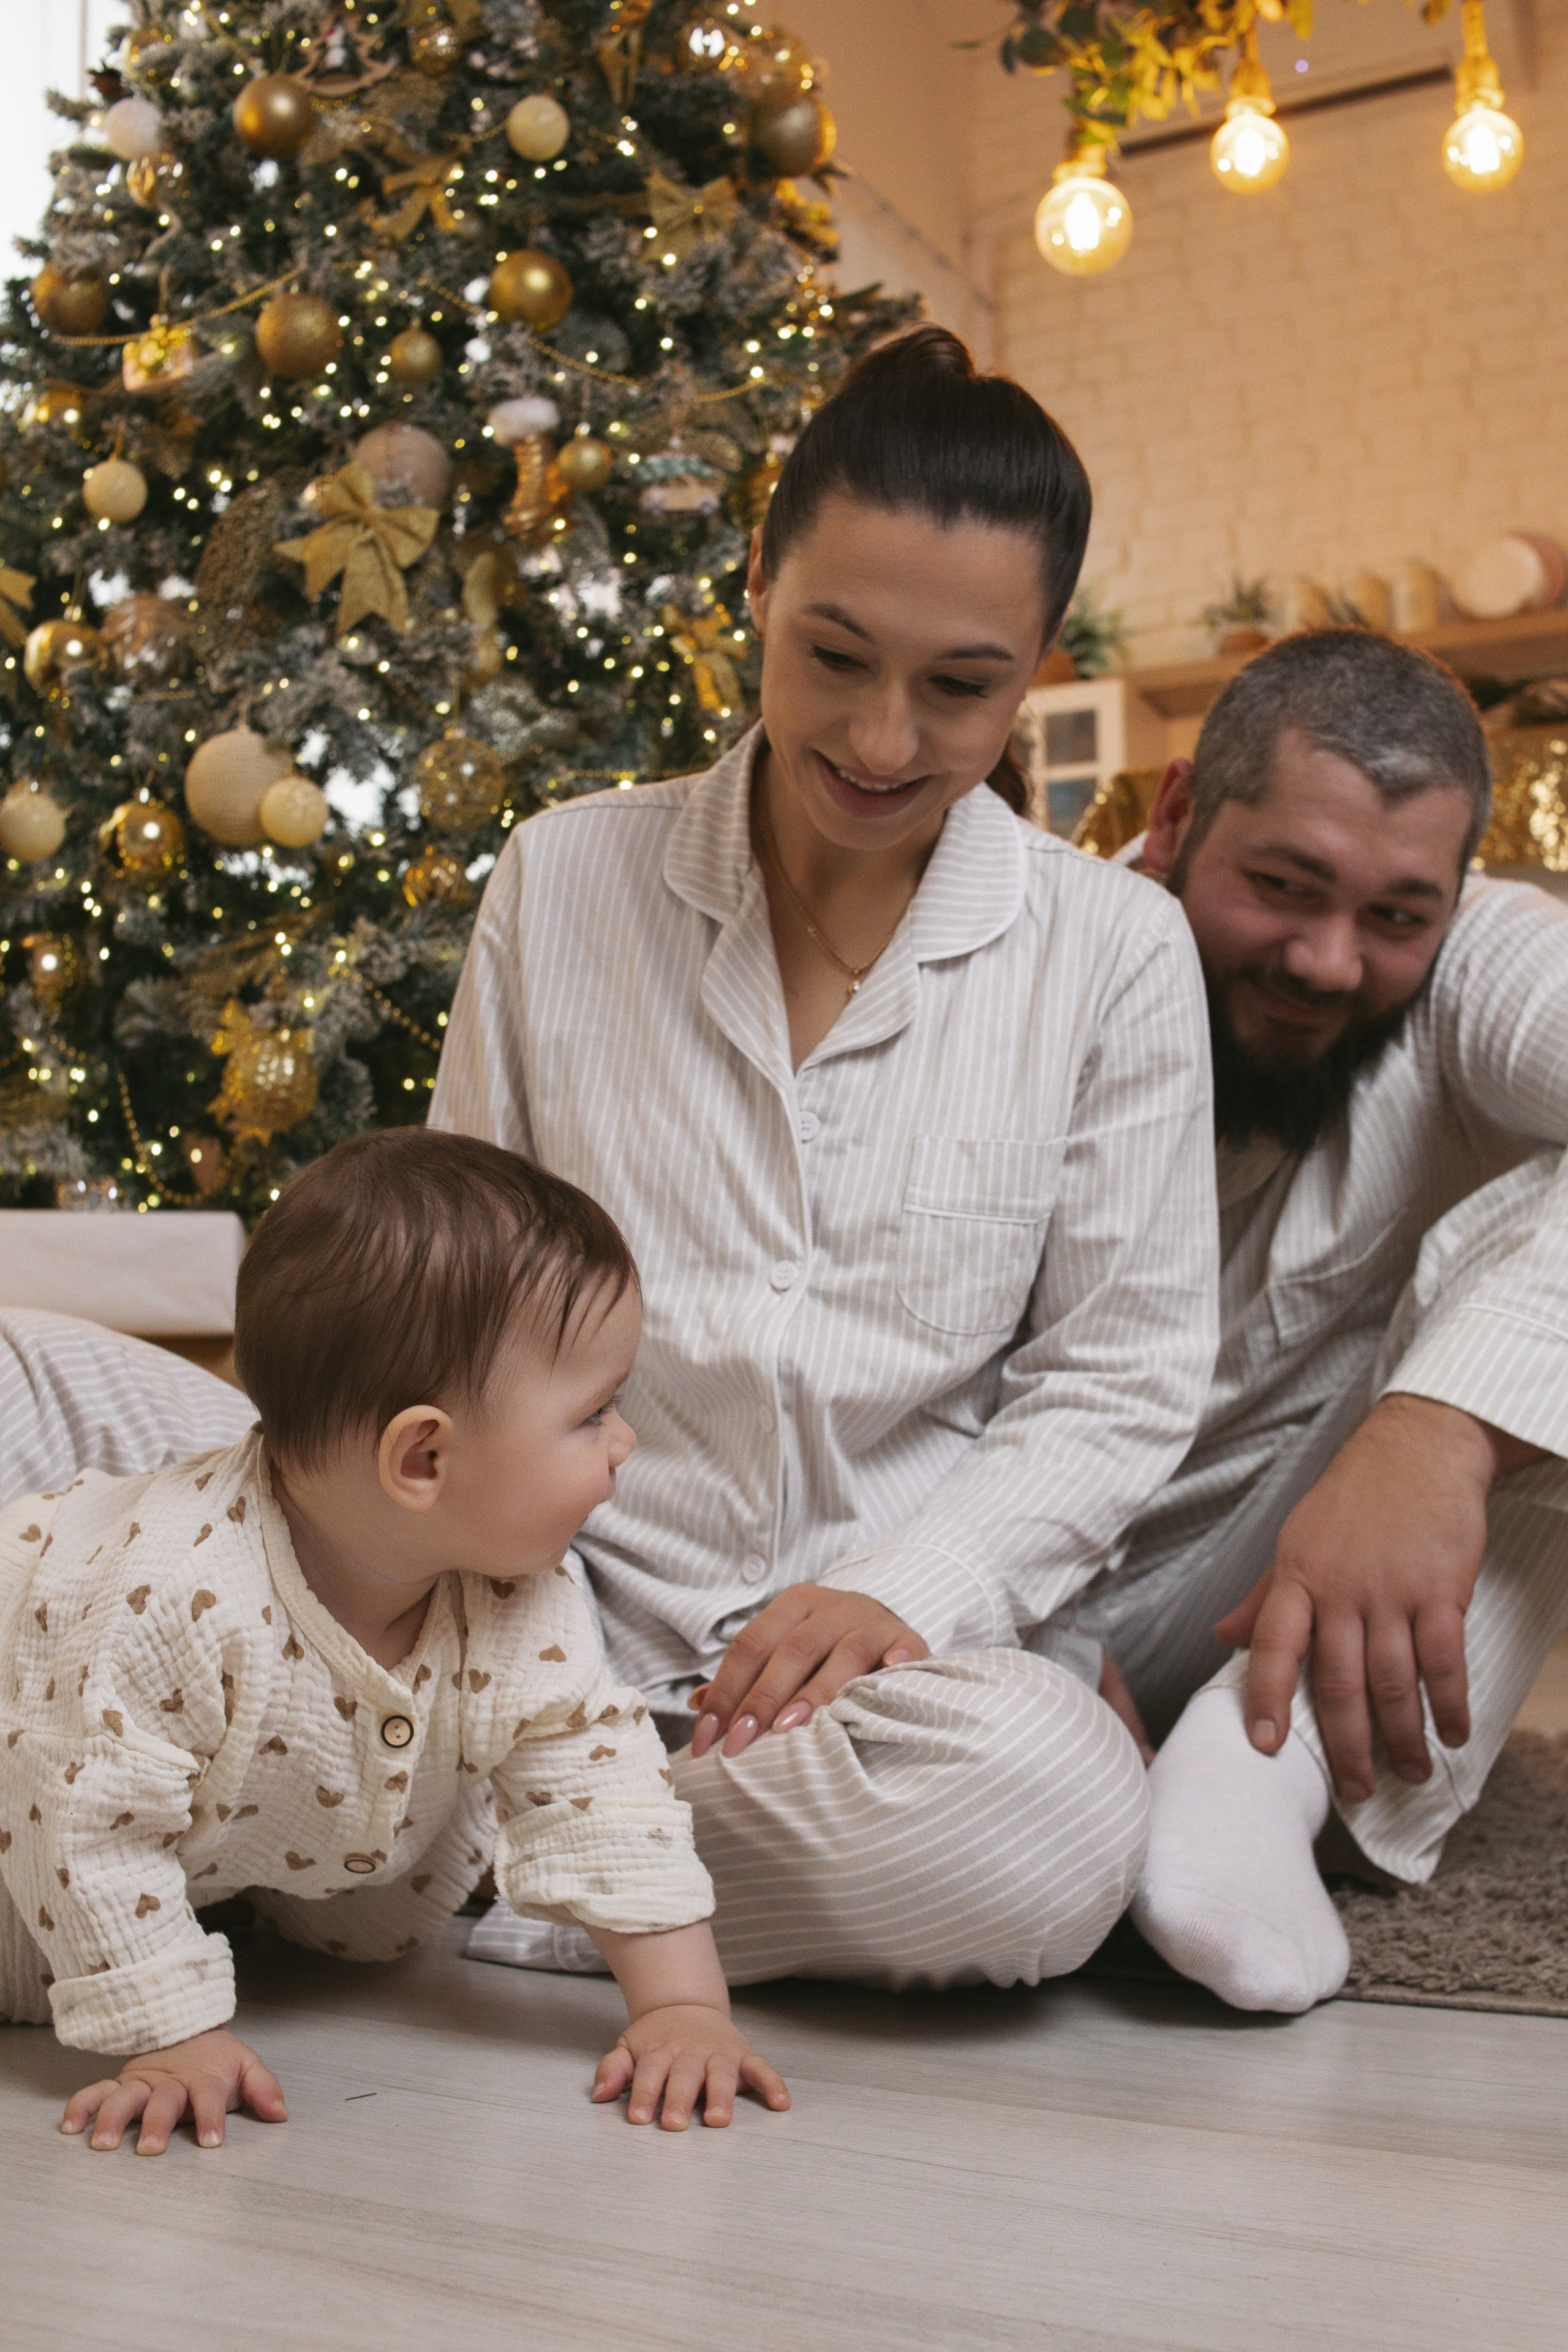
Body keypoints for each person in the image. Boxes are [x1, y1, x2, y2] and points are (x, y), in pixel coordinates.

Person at [1, 326, 1221, 1992]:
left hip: (857, 1703)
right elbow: (444, 1277)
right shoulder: (567, 877)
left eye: (959, 686)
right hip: (489, 1593)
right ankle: (423, 1824)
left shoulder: (1116, 950)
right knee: (24, 1374)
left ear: (1031, 666)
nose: (878, 738)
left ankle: (384, 1851)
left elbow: (1125, 1378)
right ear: (757, 587)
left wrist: (911, 1589)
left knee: (1048, 1815)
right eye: (834, 654)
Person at [0, 1129, 790, 2150]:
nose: (624, 1440)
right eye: (594, 1413)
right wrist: (172, 2037)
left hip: (202, 1849)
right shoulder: (173, 1595)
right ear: (423, 1458)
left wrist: (683, 2008)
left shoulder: (519, 1593)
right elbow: (83, 1815)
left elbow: (605, 1787)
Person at [1068, 628, 1568, 2012]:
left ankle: (1254, 1774)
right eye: (1280, 886)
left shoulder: (1475, 968)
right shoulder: (1024, 961)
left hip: (1283, 1603)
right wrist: (1018, 1619)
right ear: (1173, 817)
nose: (1327, 961)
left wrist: (1438, 1435)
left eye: (1396, 917)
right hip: (993, 1592)